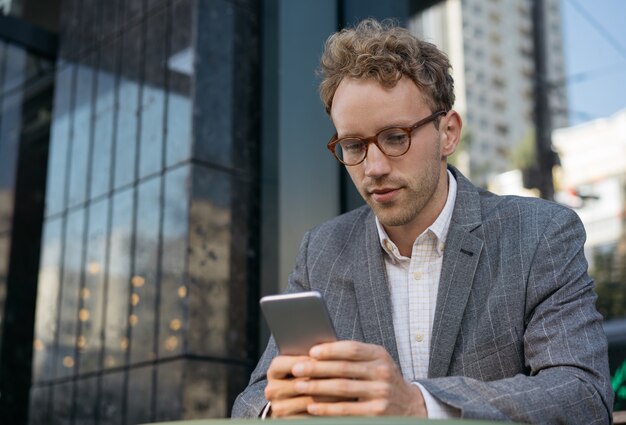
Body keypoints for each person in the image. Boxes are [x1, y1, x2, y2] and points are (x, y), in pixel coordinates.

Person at [231, 18, 613, 422]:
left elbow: (583, 396)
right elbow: (252, 401)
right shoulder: (322, 251)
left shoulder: (539, 233)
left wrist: (418, 404)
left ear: (448, 132)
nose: (373, 167)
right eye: (354, 145)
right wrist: (278, 409)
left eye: (396, 137)